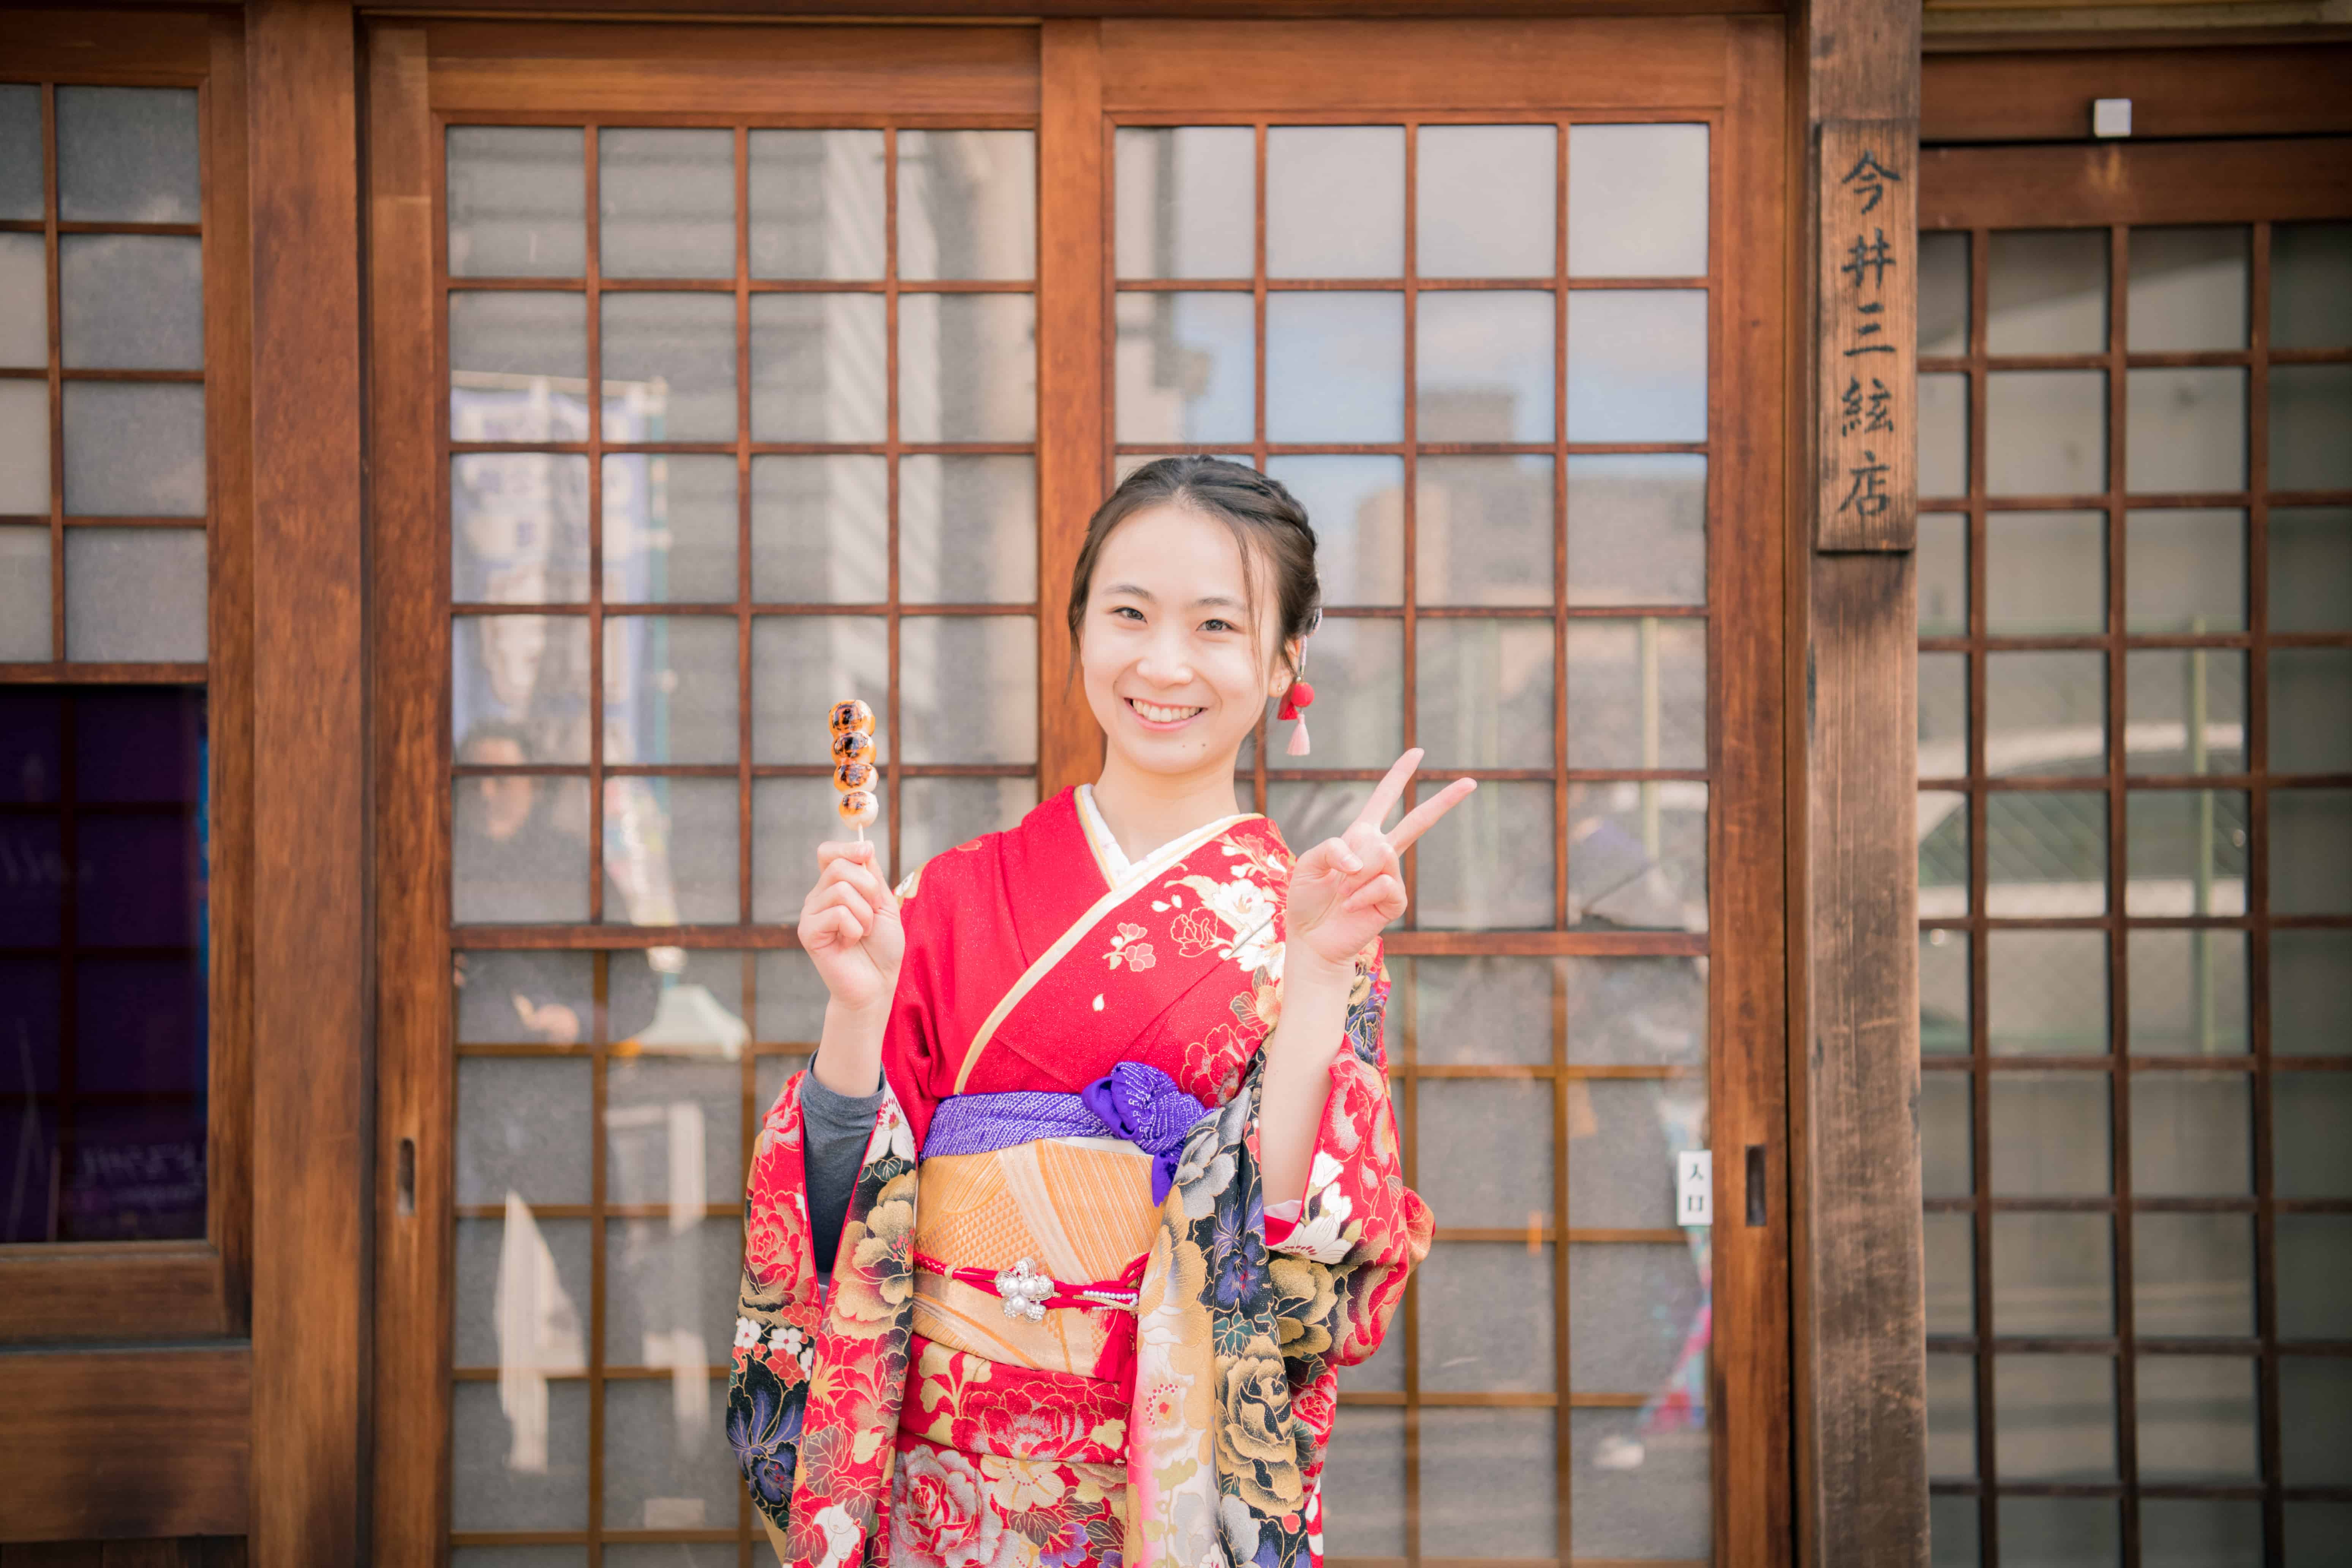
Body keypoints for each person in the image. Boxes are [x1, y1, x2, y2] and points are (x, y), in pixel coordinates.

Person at [727, 458, 1471, 1568]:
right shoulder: (951, 897)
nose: (1163, 664)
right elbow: (838, 1229)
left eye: (1217, 626)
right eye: (1128, 613)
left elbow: (1303, 1281)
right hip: (951, 1492)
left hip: (1159, 1484)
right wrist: (858, 1011)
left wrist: (1318, 972)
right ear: (1079, 628)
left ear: (1284, 662)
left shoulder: (1310, 918)